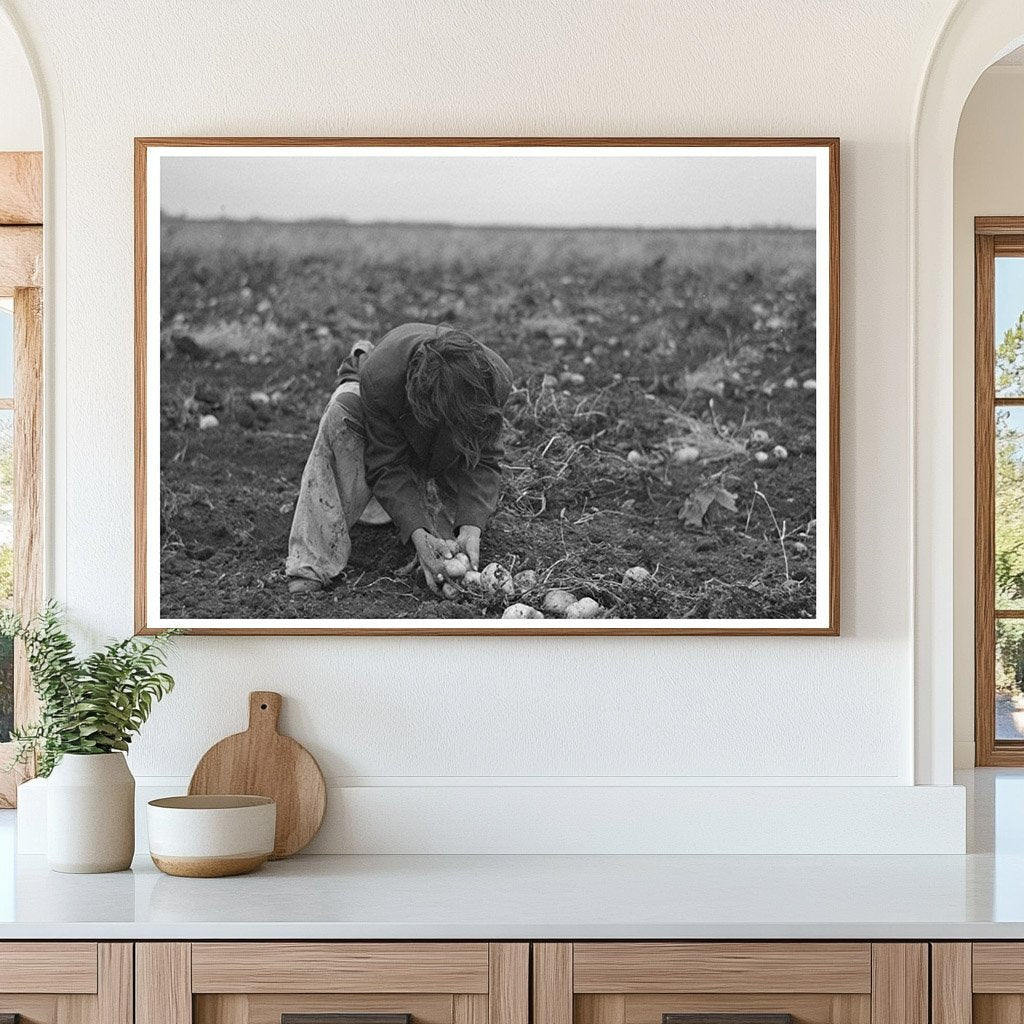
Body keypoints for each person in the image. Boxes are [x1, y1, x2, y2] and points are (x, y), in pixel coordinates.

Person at [286, 323, 512, 596]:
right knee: (343, 412)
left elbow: (485, 458)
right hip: (380, 396)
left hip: (438, 426)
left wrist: (471, 527)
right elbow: (387, 464)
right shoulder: (382, 378)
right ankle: (311, 562)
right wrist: (418, 533)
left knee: (451, 536)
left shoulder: (493, 380)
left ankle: (402, 509)